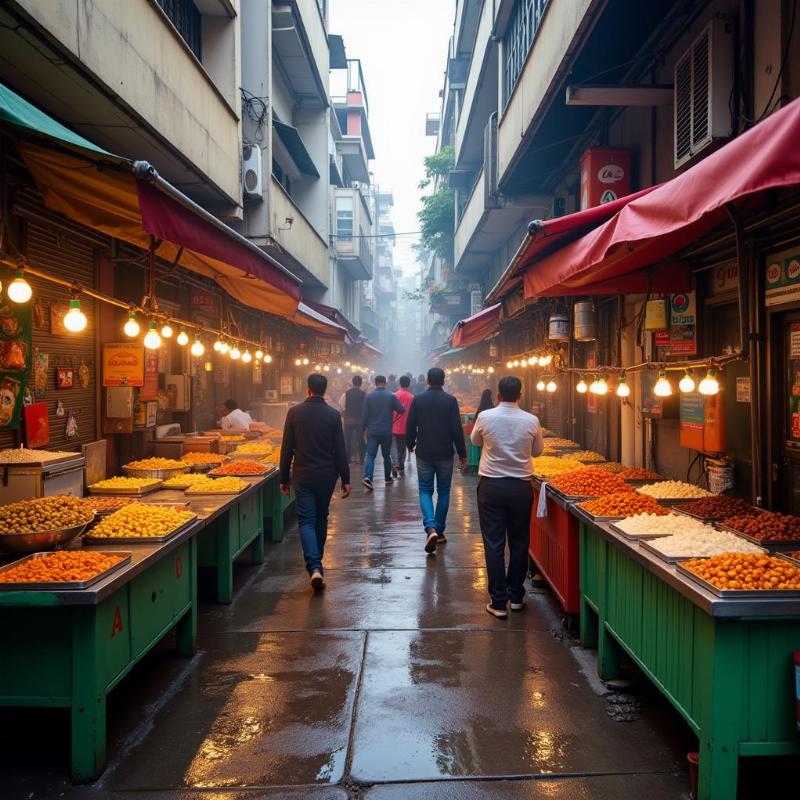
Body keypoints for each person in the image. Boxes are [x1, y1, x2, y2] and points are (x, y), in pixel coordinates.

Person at [470, 376, 544, 619]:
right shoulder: (531, 420)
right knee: (520, 542)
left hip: (491, 486)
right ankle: (516, 596)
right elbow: (537, 451)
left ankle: (498, 601)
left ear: (498, 396)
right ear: (520, 395)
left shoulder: (485, 417)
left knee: (494, 543)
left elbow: (475, 441)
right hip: (520, 488)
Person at [280, 374, 351, 591]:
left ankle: (314, 566)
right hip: (326, 475)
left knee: (306, 520)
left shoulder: (294, 413)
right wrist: (345, 478)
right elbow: (340, 449)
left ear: (308, 389)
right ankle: (316, 563)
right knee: (321, 516)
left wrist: (284, 477)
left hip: (302, 475)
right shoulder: (332, 415)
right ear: (325, 389)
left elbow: (287, 448)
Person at [406, 367, 466, 554]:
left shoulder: (418, 400)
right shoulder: (450, 401)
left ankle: (430, 527)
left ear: (427, 381)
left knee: (425, 490)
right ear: (443, 381)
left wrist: (410, 444)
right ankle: (438, 531)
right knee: (444, 491)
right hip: (445, 453)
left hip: (424, 452)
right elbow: (457, 429)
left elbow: (411, 425)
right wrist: (462, 453)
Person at [362, 374, 404, 491]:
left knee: (371, 455)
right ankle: (387, 477)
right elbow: (400, 410)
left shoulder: (369, 397)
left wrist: (363, 430)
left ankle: (368, 477)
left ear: (375, 383)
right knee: (386, 455)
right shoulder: (391, 396)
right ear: (385, 383)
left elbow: (365, 416)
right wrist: (403, 407)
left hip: (373, 431)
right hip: (386, 431)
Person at [391, 375, 415, 478]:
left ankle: (395, 463)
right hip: (407, 426)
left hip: (395, 425)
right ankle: (401, 465)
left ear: (399, 383)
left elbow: (391, 411)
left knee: (395, 446)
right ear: (409, 384)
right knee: (402, 447)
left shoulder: (394, 395)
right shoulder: (412, 397)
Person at [340, 376, 366, 464]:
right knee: (360, 439)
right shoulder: (364, 394)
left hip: (349, 420)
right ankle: (361, 458)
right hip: (360, 420)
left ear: (352, 382)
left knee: (347, 439)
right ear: (361, 383)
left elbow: (342, 405)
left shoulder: (346, 393)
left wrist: (345, 411)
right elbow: (366, 407)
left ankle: (347, 459)